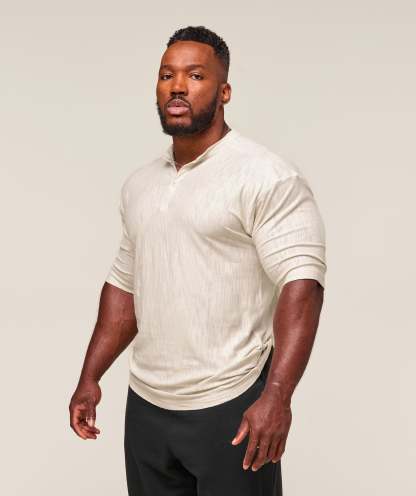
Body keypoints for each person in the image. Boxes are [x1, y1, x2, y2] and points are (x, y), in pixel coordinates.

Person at [69, 25, 327, 496]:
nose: (178, 86)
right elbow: (125, 286)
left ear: (224, 91)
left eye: (195, 75)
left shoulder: (266, 176)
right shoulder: (140, 185)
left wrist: (277, 396)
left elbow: (302, 284)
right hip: (147, 405)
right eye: (167, 75)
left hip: (231, 402)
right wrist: (91, 376)